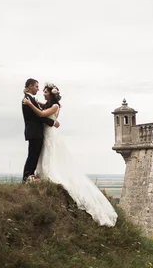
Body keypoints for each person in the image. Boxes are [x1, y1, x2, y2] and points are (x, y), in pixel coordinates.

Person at [22, 82, 118, 227]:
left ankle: (46, 175)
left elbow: (41, 113)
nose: (42, 92)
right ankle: (35, 175)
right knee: (43, 155)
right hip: (45, 133)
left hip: (50, 134)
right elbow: (39, 103)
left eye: (45, 91)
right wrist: (30, 99)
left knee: (51, 156)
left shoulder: (55, 106)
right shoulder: (48, 103)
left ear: (51, 93)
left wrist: (30, 104)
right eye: (40, 89)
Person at [22, 78, 60, 183]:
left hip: (40, 132)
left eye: (45, 91)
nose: (39, 90)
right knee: (33, 155)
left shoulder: (32, 99)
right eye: (36, 86)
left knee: (37, 155)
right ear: (30, 86)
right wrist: (52, 123)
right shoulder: (28, 100)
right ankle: (28, 176)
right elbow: (39, 116)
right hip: (34, 132)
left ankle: (31, 175)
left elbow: (40, 111)